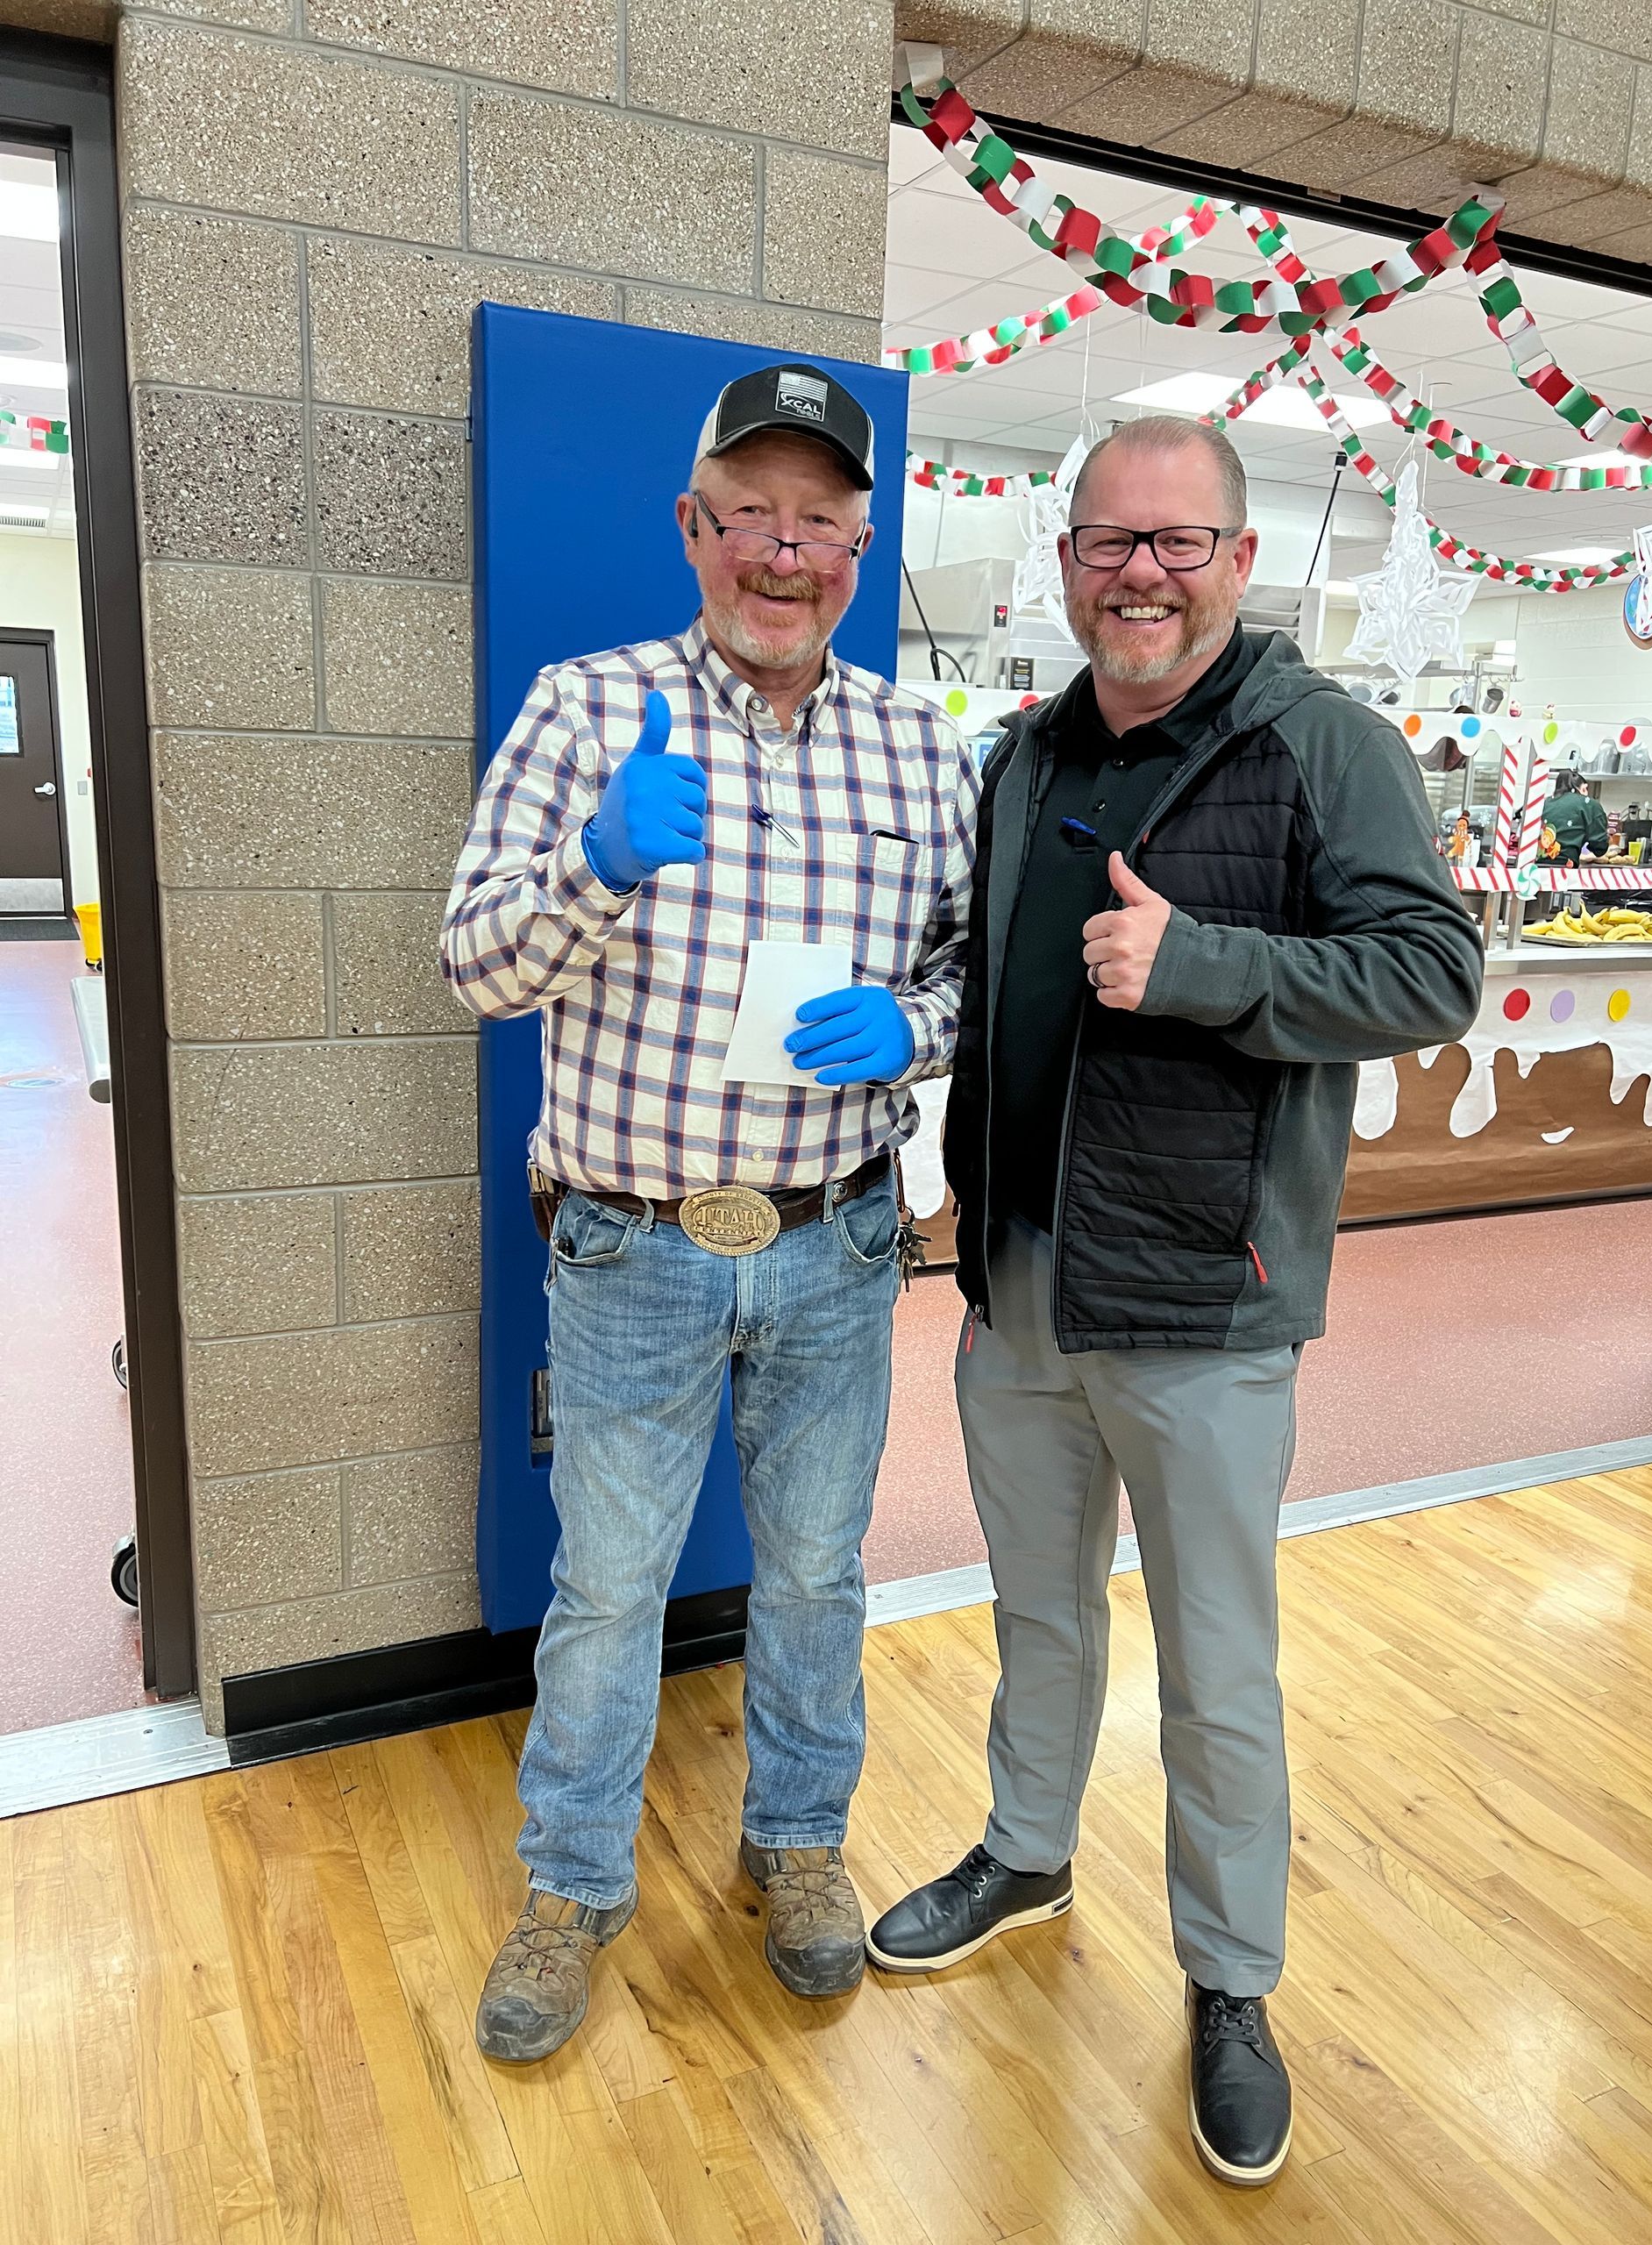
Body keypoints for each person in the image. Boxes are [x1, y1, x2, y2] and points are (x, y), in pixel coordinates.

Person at [866, 417, 1483, 2187]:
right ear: (1065, 561)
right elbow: (985, 985)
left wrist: (1203, 963)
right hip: (1023, 1288)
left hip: (1209, 1305)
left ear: (1237, 556)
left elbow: (1430, 968)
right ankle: (1027, 1847)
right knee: (1040, 1617)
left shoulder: (1321, 746)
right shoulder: (1022, 756)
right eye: (1110, 543)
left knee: (1220, 1668)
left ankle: (1230, 1979)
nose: (1141, 572)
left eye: (1178, 541)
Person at [442, 363, 977, 2063]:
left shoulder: (918, 745)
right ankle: (572, 1876)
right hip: (630, 1240)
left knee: (819, 1571)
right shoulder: (586, 710)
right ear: (693, 527)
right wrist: (598, 859)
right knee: (606, 1587)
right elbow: (473, 962)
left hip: (837, 1235)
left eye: (821, 519)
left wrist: (923, 1026)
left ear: (861, 545)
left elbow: (975, 967)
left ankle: (799, 1841)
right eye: (752, 511)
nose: (785, 548)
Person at [1540, 769, 1607, 865]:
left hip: (1533, 868)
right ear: (1583, 788)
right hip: (1564, 868)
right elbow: (1600, 847)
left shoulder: (1544, 803)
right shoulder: (1588, 804)